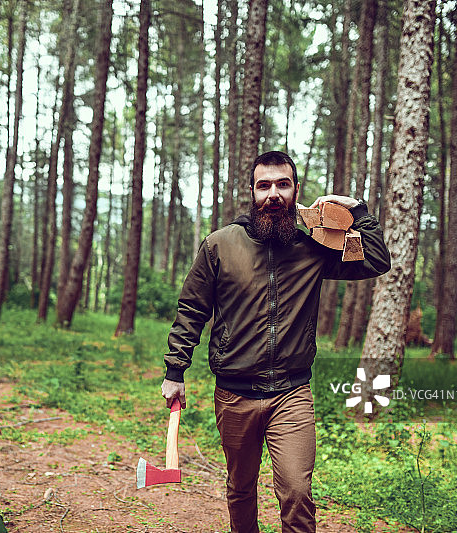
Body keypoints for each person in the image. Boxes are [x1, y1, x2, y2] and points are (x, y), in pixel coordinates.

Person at [160, 150, 391, 533]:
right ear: (251, 192)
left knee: (298, 492)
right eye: (264, 185)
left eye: (282, 184)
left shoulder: (315, 247)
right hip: (234, 394)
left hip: (291, 392)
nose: (273, 194)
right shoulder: (219, 245)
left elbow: (377, 261)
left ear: (296, 190)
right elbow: (191, 309)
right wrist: (175, 370)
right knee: (240, 487)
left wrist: (360, 212)